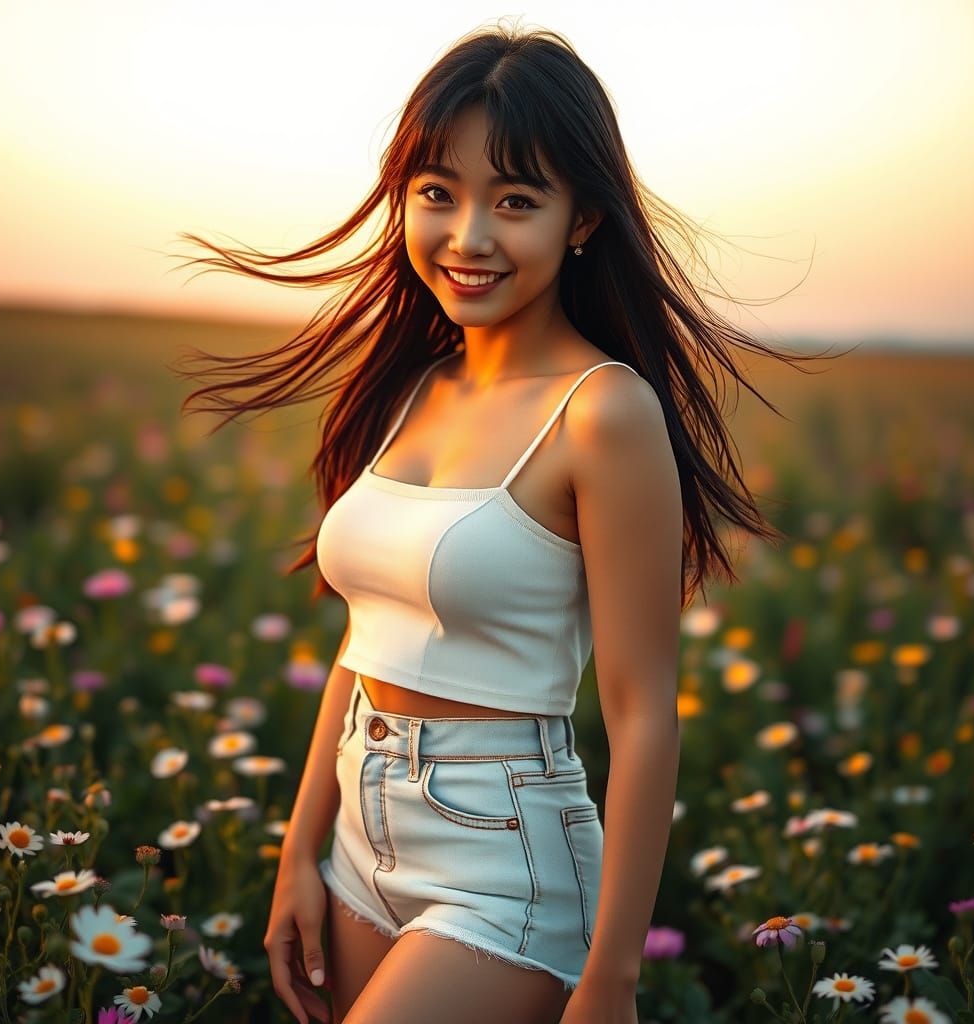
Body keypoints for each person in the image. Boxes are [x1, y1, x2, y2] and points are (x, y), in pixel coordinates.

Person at [170, 20, 844, 1024]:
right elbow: (362, 645)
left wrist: (610, 981)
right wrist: (296, 856)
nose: (468, 236)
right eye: (437, 193)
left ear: (580, 221)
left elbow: (642, 712)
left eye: (515, 201)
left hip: (508, 859)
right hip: (361, 837)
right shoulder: (411, 387)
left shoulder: (603, 412)